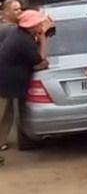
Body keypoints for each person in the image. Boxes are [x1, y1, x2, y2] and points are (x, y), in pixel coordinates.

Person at [0, 10, 51, 166]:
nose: (42, 25)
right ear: (32, 25)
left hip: (6, 85)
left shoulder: (19, 34)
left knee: (6, 118)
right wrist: (42, 39)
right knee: (2, 117)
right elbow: (40, 60)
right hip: (5, 85)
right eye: (39, 23)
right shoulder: (24, 41)